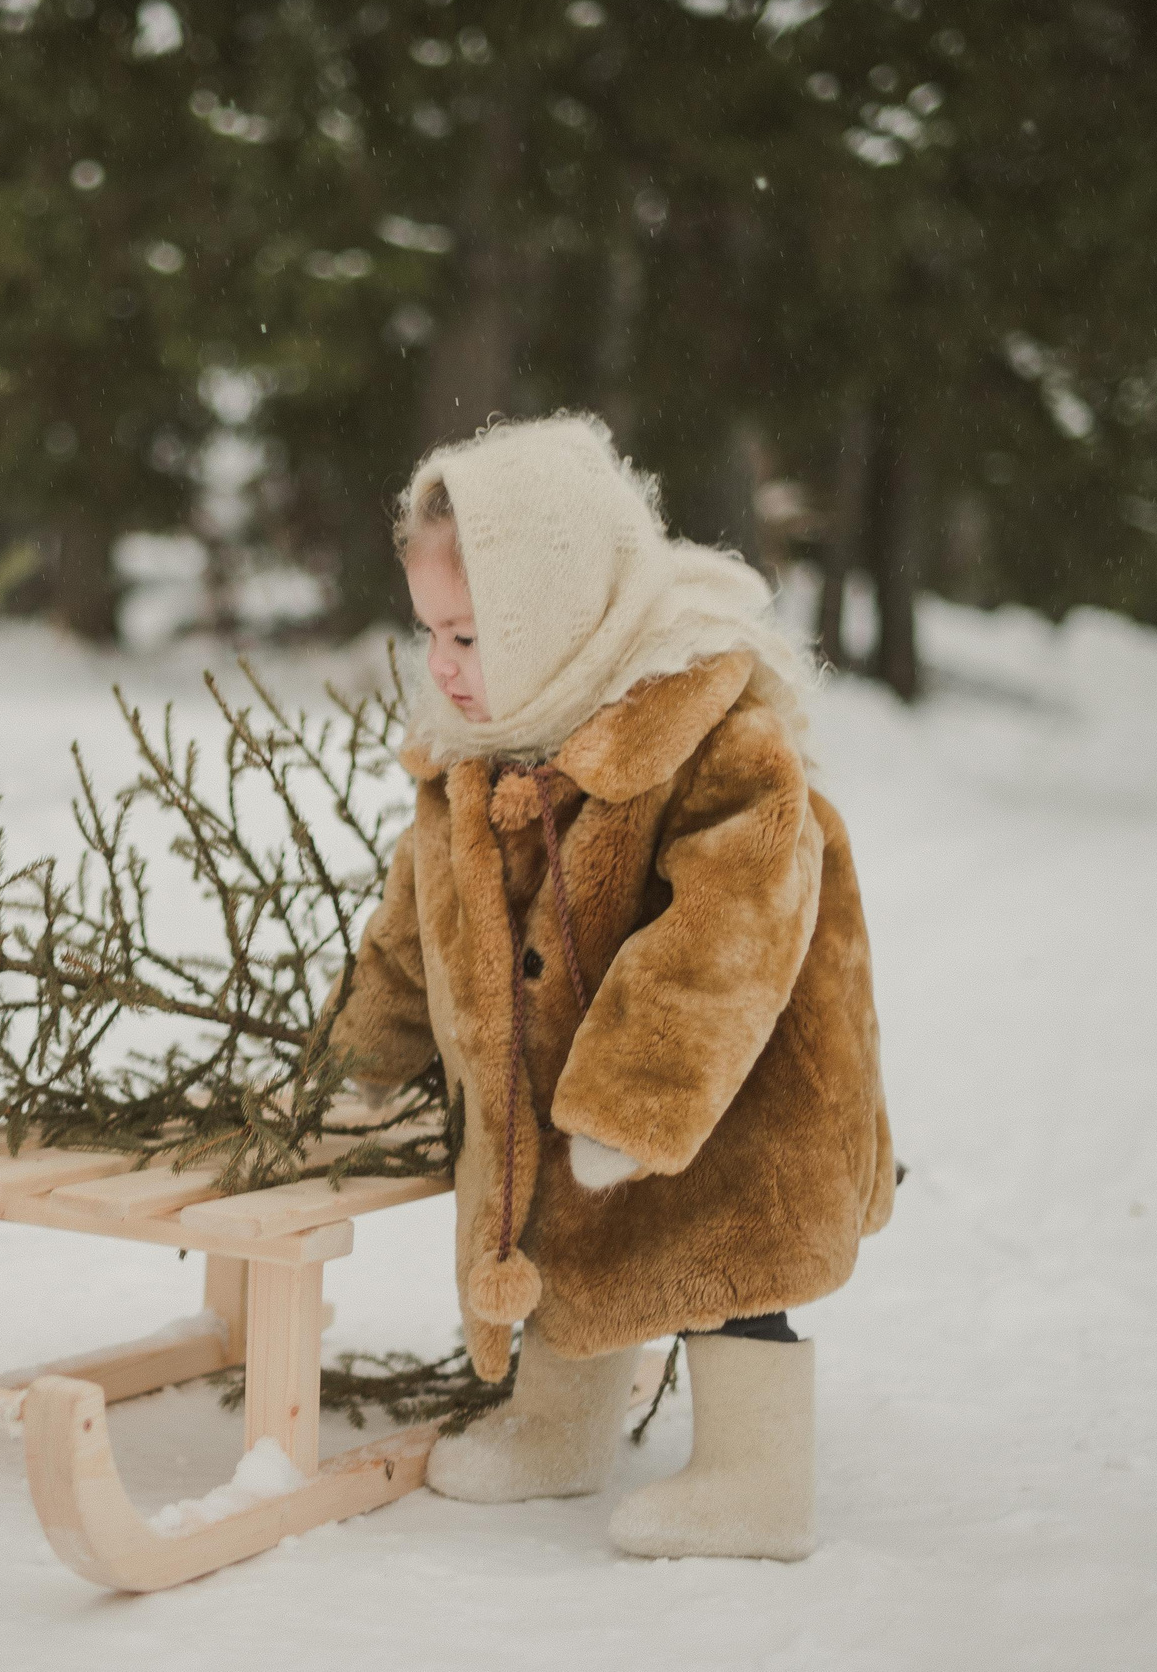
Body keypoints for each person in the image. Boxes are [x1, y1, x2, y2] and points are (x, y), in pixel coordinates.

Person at [327, 412, 896, 1561]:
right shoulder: (471, 761)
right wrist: (364, 1060)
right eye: (430, 629)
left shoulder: (704, 734)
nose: (441, 663)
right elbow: (412, 930)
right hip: (562, 1074)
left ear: (550, 618)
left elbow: (733, 914)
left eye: (470, 633)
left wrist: (640, 1090)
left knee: (732, 1246)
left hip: (737, 1073)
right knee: (567, 1228)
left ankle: (754, 1476)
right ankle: (561, 1428)